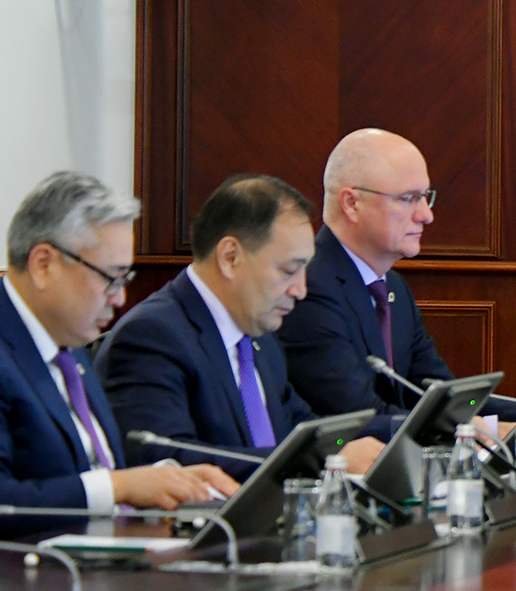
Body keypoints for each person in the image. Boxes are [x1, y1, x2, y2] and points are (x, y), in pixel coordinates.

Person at [0, 173, 238, 538]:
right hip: (5, 568)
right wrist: (118, 487)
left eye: (125, 279)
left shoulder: (66, 341)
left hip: (97, 554)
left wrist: (169, 478)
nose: (120, 298)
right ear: (44, 264)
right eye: (111, 277)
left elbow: (90, 470)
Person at [96, 175, 387, 480]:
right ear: (230, 257)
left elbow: (302, 430)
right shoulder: (152, 337)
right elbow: (166, 459)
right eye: (289, 270)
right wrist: (323, 460)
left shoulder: (260, 339)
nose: (301, 290)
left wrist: (342, 445)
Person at [279, 130, 516, 422]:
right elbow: (359, 416)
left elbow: (441, 393)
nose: (426, 215)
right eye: (409, 198)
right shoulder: (309, 287)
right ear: (352, 204)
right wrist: (478, 429)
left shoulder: (393, 286)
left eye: (425, 197)